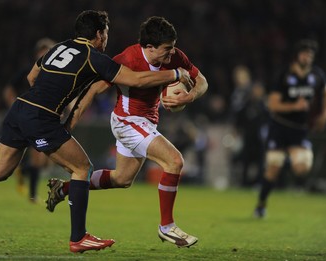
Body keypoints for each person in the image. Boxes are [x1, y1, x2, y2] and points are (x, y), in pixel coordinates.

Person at [0, 10, 193, 253]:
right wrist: (175, 74)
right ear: (99, 34)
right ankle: (78, 237)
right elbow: (136, 80)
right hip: (40, 117)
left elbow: (32, 77)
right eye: (106, 34)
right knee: (82, 168)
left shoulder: (58, 47)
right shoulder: (94, 57)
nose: (106, 39)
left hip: (20, 108)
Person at [45, 16, 208, 248]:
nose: (172, 54)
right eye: (166, 50)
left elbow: (201, 80)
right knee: (174, 161)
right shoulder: (128, 59)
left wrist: (190, 96)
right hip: (127, 121)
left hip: (147, 123)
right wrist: (70, 122)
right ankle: (167, 226)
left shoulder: (175, 56)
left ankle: (64, 188)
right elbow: (94, 89)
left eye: (172, 48)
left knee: (121, 179)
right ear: (149, 47)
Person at [253, 39, 326, 218]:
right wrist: (294, 107)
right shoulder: (285, 75)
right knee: (272, 169)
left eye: (310, 54)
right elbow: (272, 104)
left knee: (302, 168)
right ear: (297, 55)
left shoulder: (317, 75)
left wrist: (324, 115)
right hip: (280, 127)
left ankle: (286, 160)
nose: (307, 57)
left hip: (300, 129)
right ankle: (261, 204)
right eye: (304, 53)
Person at [3, 38, 55, 203]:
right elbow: (8, 90)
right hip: (29, 118)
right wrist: (15, 107)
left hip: (45, 118)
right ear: (37, 54)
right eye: (43, 52)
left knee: (46, 163)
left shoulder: (54, 75)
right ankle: (32, 195)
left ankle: (22, 171)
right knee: (38, 156)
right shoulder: (28, 71)